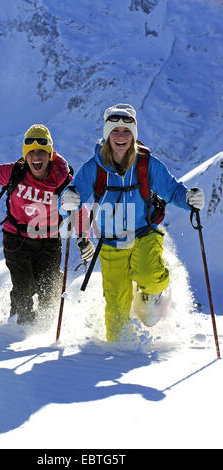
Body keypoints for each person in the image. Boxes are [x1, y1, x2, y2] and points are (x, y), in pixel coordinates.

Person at [60, 104, 204, 342]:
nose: (121, 136)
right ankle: (120, 350)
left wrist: (189, 199)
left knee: (150, 274)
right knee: (116, 309)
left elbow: (172, 189)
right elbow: (70, 198)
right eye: (115, 131)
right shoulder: (94, 168)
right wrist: (67, 202)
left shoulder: (147, 164)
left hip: (143, 233)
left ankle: (153, 294)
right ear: (107, 135)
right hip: (110, 243)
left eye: (126, 131)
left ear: (134, 135)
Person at [0, 124, 94, 325]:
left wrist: (84, 238)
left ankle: (45, 331)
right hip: (17, 238)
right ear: (25, 155)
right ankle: (17, 327)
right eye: (31, 152)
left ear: (50, 154)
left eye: (42, 152)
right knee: (24, 288)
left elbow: (78, 209)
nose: (36, 157)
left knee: (50, 289)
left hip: (49, 240)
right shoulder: (14, 172)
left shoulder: (62, 180)